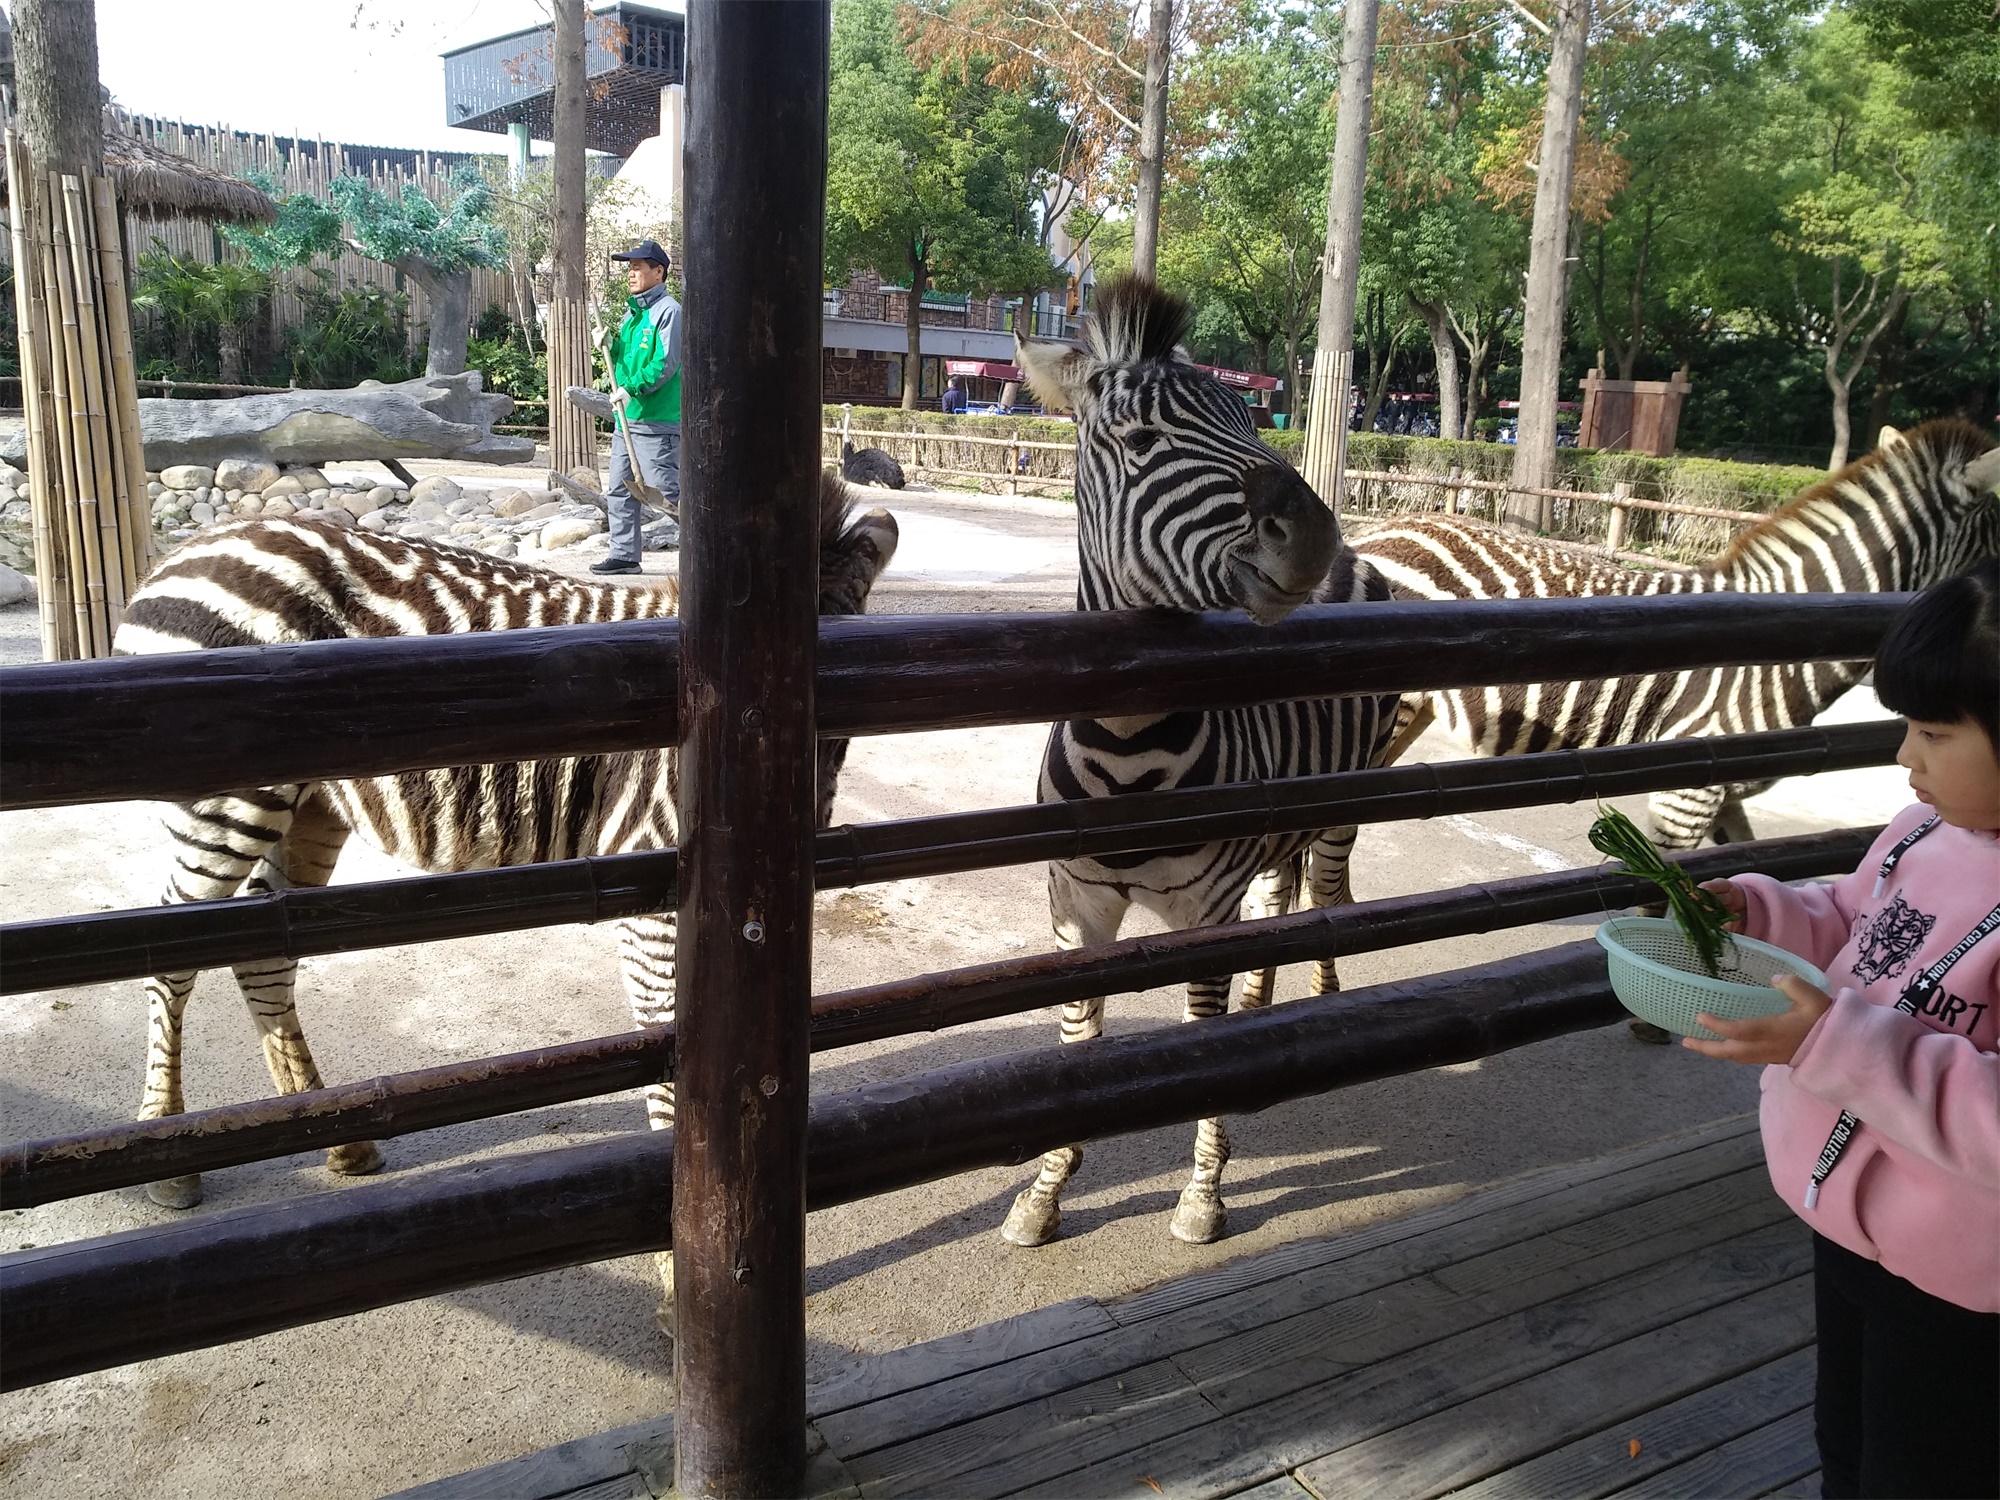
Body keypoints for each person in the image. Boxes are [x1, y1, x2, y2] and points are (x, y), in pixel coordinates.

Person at [1684, 556, 1999, 1500]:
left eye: (1936, 732)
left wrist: (1835, 1045)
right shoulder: (1919, 830)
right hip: (1850, 1227)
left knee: (1927, 1471)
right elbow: (1856, 922)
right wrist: (1762, 912)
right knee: (1847, 1441)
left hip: (1966, 1282)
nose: (1908, 755)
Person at [591, 239, 682, 576]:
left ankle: (707, 551)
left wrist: (631, 389)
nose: (631, 273)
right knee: (619, 490)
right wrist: (612, 345)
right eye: (629, 267)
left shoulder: (669, 312)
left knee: (670, 495)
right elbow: (625, 362)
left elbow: (664, 365)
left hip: (658, 422)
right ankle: (625, 555)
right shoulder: (633, 314)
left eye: (637, 267)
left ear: (658, 272)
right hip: (626, 420)